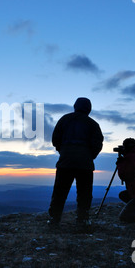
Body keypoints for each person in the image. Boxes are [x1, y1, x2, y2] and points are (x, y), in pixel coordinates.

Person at [48, 97, 104, 228]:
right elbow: (97, 144)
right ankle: (82, 220)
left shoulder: (64, 119)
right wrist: (90, 156)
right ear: (89, 109)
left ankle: (54, 219)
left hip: (65, 162)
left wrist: (63, 151)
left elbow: (55, 139)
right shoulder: (93, 124)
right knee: (84, 193)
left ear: (75, 106)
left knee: (60, 192)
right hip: (85, 164)